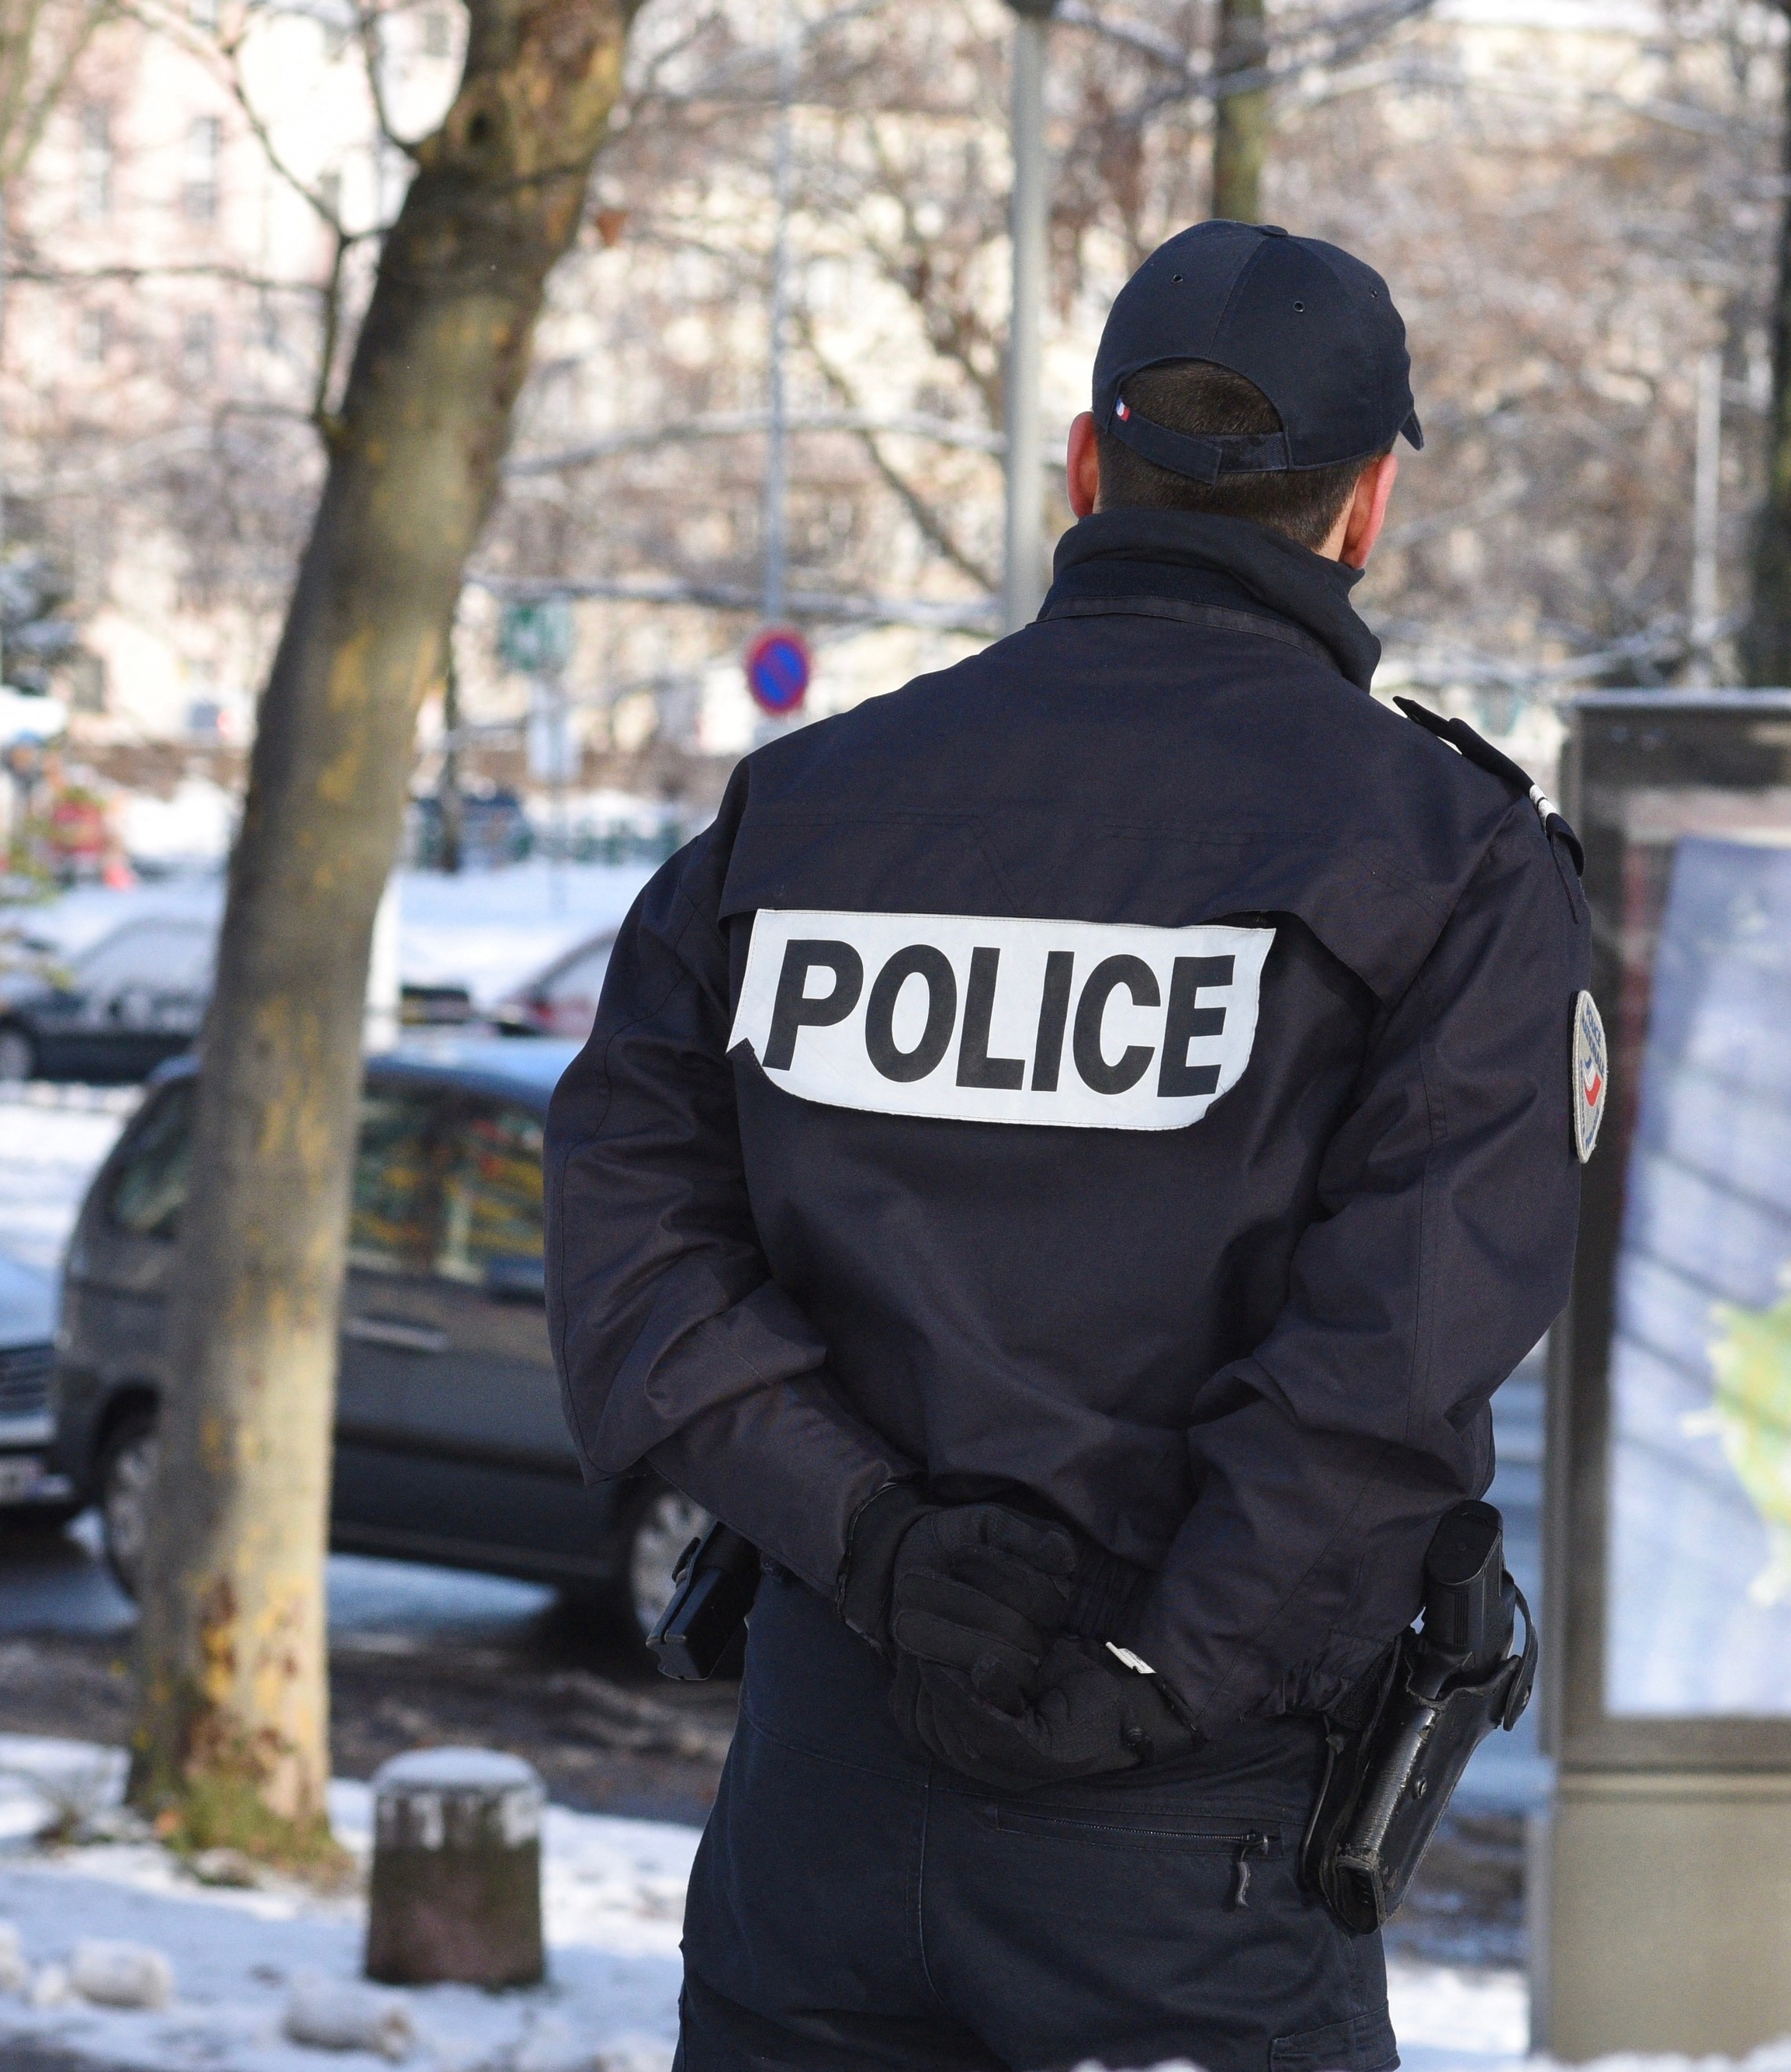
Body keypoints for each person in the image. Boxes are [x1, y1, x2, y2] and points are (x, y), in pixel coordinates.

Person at [543, 220, 1590, 2072]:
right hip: (1200, 1829)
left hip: (825, 1788)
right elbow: (1391, 1357)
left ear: (1085, 470)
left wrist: (866, 1541)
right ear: (1360, 514)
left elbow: (632, 1245)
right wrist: (1158, 1670)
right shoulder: (1441, 859)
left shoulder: (803, 808)